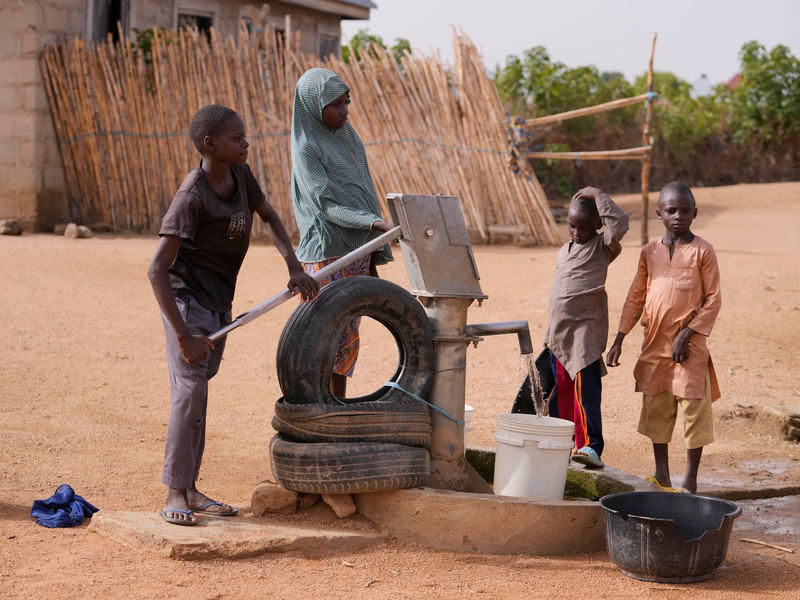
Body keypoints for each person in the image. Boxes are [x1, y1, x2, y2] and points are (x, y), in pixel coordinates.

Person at [148, 104, 319, 525]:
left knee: (199, 393)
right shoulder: (191, 198)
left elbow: (269, 215)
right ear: (210, 144)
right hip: (187, 304)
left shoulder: (240, 174)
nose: (246, 143)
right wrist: (184, 336)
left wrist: (294, 266)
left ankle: (190, 489)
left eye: (245, 136)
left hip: (218, 303)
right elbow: (156, 270)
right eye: (237, 138)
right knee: (189, 393)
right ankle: (175, 492)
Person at [606, 181, 721, 494]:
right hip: (655, 343)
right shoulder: (649, 252)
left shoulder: (703, 251)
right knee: (657, 407)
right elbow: (636, 296)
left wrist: (689, 332)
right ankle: (662, 475)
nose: (678, 216)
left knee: (694, 410)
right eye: (671, 210)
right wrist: (619, 338)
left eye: (685, 210)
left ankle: (691, 481)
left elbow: (713, 299)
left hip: (690, 348)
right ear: (659, 213)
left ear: (695, 213)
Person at [289, 67, 394, 398]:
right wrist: (375, 224)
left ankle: (337, 406)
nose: (344, 110)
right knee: (323, 334)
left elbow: (364, 191)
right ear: (312, 106)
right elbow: (326, 204)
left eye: (346, 102)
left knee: (348, 334)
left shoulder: (349, 138)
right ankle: (315, 406)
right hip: (328, 255)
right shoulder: (307, 148)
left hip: (358, 252)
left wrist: (373, 248)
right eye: (334, 104)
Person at [545, 187, 629, 469]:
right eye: (572, 226)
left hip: (585, 332)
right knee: (562, 392)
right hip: (559, 334)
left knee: (586, 391)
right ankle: (564, 442)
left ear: (598, 226)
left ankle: (591, 446)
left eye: (584, 228)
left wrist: (599, 195)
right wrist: (548, 334)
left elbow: (620, 224)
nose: (577, 233)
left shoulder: (603, 247)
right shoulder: (564, 251)